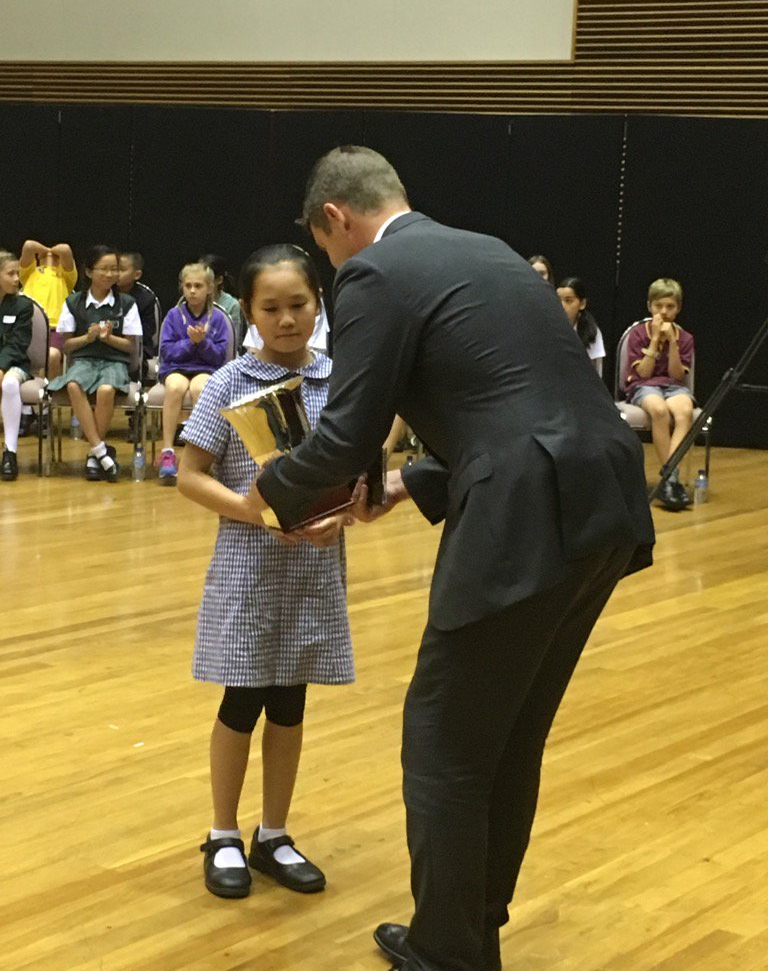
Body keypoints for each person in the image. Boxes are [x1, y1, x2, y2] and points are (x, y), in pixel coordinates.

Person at [252, 146, 654, 971]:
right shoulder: (487, 250)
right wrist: (403, 484)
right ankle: (474, 927)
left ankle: (446, 950)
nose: (332, 273)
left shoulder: (374, 273)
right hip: (603, 499)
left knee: (443, 739)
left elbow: (347, 432)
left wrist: (272, 498)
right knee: (507, 735)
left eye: (325, 254)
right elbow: (520, 397)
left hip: (524, 514)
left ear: (336, 218)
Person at [177, 244, 354, 900]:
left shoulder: (340, 380)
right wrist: (252, 512)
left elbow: (354, 472)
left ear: (318, 305)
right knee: (242, 700)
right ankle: (223, 833)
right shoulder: (227, 384)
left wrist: (344, 513)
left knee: (291, 701)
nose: (287, 319)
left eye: (299, 305)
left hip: (313, 569)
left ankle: (272, 833)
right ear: (247, 311)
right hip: (249, 570)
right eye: (271, 308)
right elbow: (190, 478)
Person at [48, 245, 142, 482]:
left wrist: (109, 338)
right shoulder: (73, 302)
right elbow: (66, 345)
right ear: (89, 272)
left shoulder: (127, 303)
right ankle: (101, 450)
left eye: (115, 269)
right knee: (72, 385)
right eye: (104, 269)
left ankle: (94, 454)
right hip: (84, 360)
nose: (110, 275)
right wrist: (87, 338)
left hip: (114, 361)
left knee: (106, 390)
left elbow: (131, 346)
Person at [624, 277, 694, 511]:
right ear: (650, 306)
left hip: (672, 387)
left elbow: (677, 377)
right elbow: (642, 373)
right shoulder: (637, 334)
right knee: (659, 411)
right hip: (644, 386)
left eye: (670, 306)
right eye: (658, 306)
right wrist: (655, 339)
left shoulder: (685, 338)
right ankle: (672, 479)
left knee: (685, 412)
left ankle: (668, 477)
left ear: (678, 308)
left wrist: (672, 343)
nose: (663, 312)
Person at [157, 262, 230, 485]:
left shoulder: (218, 317)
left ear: (209, 288)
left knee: (201, 387)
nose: (192, 291)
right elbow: (167, 352)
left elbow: (220, 356)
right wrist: (191, 343)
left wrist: (203, 343)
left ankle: (196, 453)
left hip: (206, 368)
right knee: (175, 387)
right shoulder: (173, 315)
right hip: (176, 368)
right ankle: (167, 452)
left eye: (198, 285)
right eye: (188, 285)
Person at [19, 239, 77, 378]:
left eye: (56, 256)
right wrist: (47, 251)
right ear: (37, 257)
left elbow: (65, 249)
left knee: (53, 355)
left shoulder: (66, 276)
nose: (51, 256)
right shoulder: (29, 273)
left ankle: (52, 392)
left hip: (55, 328)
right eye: (45, 255)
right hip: (29, 325)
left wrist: (50, 252)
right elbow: (29, 245)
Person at [0, 250, 34, 481]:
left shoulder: (22, 305)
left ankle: (10, 452)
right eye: (10, 273)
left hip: (15, 364)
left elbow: (17, 344)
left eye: (17, 274)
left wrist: (1, 367)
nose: (16, 279)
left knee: (10, 384)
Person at [117, 251, 159, 377]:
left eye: (122, 269)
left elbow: (147, 337)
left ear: (137, 274)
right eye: (115, 269)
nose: (115, 274)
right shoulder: (104, 293)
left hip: (136, 351)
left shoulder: (146, 299)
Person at [556, 276, 606, 375]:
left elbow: (596, 374)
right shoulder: (547, 327)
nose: (561, 306)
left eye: (568, 301)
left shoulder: (591, 332)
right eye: (558, 300)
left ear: (582, 304)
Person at [198, 253, 243, 344]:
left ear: (219, 280)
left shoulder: (232, 305)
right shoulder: (191, 300)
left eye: (207, 280)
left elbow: (233, 343)